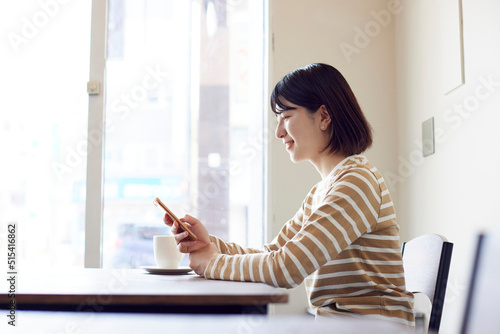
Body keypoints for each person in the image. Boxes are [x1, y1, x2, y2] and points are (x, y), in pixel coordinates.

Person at [163, 63, 414, 326]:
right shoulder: (325, 190)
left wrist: (212, 263)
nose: (278, 132)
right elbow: (274, 252)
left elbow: (287, 267)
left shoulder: (356, 183)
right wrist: (210, 245)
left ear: (324, 117)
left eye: (286, 116)